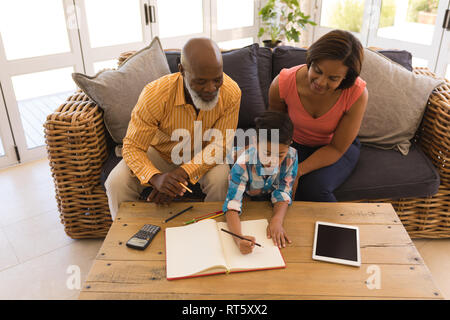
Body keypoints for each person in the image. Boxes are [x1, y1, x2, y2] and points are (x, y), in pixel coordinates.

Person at [105, 37, 241, 219]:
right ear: (182, 71)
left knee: (221, 180)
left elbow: (220, 146)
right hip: (160, 152)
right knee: (116, 182)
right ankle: (125, 236)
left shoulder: (232, 93)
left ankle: (213, 231)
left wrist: (181, 174)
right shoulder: (154, 94)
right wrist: (156, 178)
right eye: (200, 81)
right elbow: (132, 146)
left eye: (217, 80)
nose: (211, 88)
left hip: (204, 152)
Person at [268, 29, 369, 202]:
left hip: (335, 148)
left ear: (345, 78)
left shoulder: (357, 94)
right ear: (311, 60)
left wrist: (298, 170)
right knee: (270, 184)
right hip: (295, 144)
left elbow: (337, 148)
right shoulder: (282, 83)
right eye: (317, 70)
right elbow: (273, 131)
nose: (321, 82)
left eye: (333, 78)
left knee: (314, 189)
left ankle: (338, 229)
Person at [223, 111, 298, 254]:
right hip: (233, 167)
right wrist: (239, 239)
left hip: (262, 193)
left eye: (279, 155)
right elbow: (232, 204)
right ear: (255, 142)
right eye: (267, 153)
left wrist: (277, 220)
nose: (272, 161)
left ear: (289, 145)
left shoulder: (291, 156)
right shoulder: (242, 164)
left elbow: (283, 190)